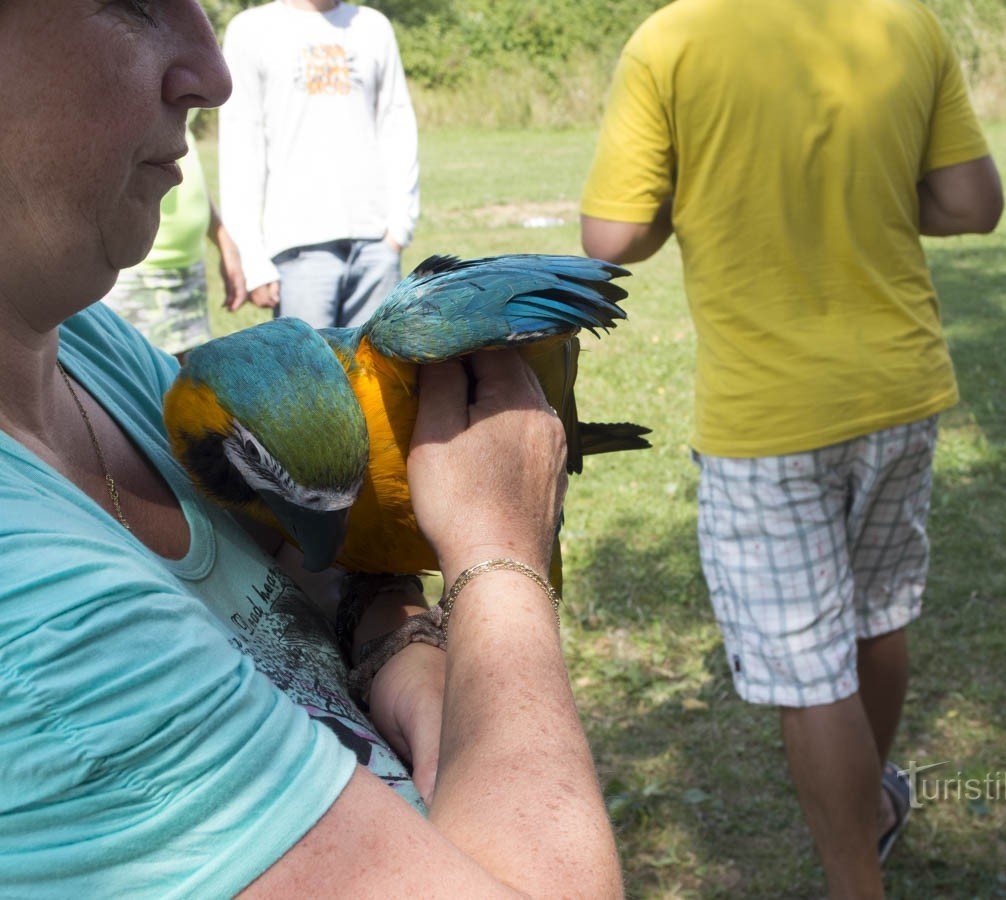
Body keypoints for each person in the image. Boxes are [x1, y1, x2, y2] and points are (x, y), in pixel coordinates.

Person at [0, 2, 620, 896]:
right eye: (133, 2)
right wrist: (497, 555)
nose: (213, 75)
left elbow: (299, 568)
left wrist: (395, 644)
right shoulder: (37, 624)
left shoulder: (90, 349)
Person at [580, 1, 1003, 897]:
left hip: (765, 413)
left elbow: (613, 237)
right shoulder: (908, 23)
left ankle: (857, 875)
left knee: (809, 668)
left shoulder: (671, 40)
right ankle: (872, 805)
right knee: (878, 615)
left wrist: (694, 196)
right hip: (899, 385)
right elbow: (972, 203)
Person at [219, 0, 420, 330]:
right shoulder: (251, 30)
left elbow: (396, 126)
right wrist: (253, 261)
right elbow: (241, 149)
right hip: (297, 249)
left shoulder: (373, 27)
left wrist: (398, 229)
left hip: (376, 245)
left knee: (375, 376)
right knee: (307, 378)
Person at [102, 113, 255, 362]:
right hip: (136, 274)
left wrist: (223, 240)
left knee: (187, 387)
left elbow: (182, 160)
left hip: (189, 267)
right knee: (133, 385)